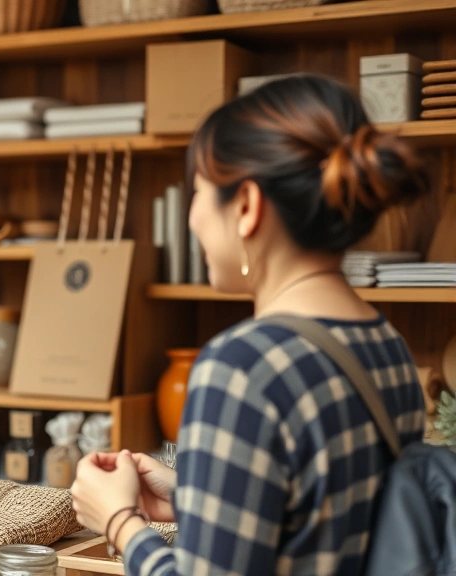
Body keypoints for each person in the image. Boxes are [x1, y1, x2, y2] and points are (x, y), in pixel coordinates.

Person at [70, 74, 428, 575]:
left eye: (197, 192)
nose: (193, 217)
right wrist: (193, 493)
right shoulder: (388, 345)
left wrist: (120, 522)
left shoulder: (242, 366)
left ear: (245, 206)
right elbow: (331, 517)